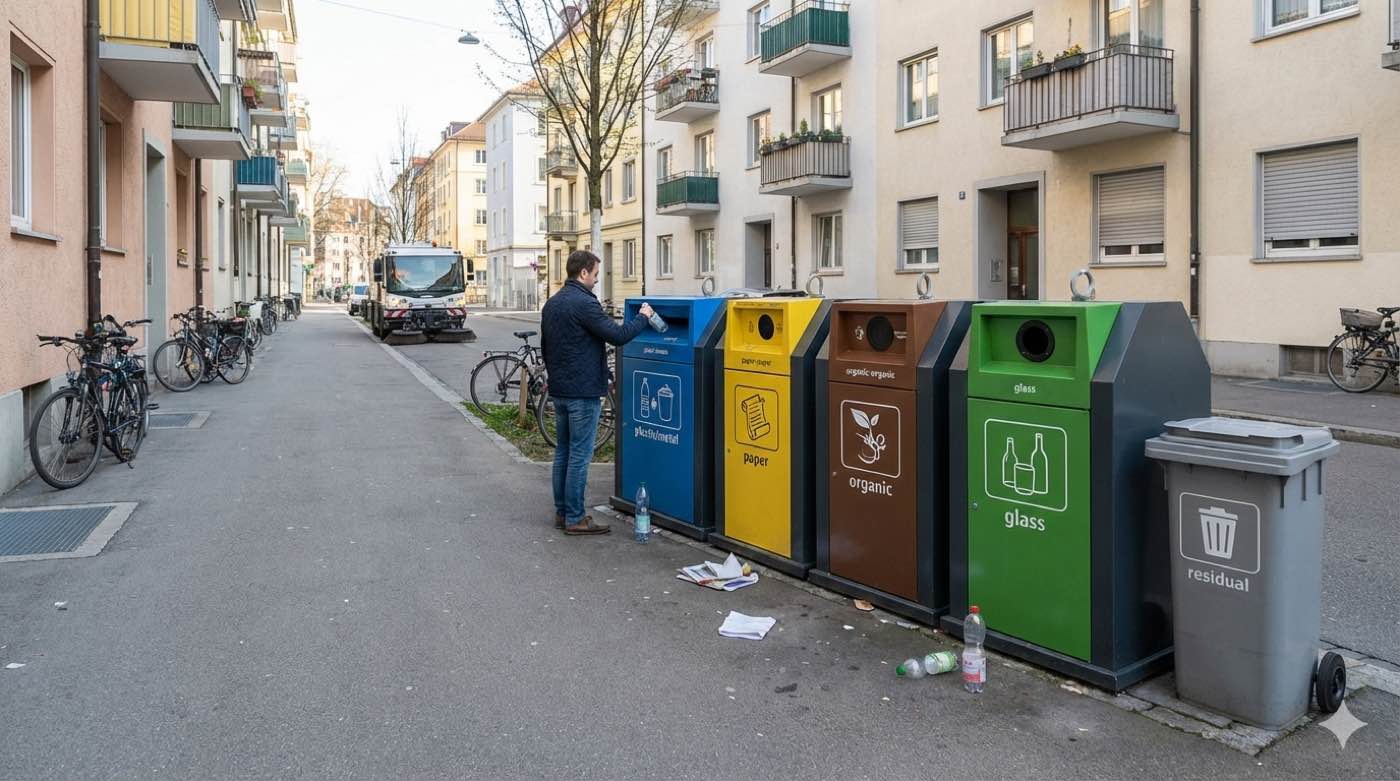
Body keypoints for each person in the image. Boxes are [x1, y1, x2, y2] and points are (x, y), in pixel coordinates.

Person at [540, 250, 656, 535]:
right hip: (583, 392)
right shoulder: (584, 304)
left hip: (561, 391)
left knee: (563, 453)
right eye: (594, 275)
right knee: (579, 455)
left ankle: (562, 512)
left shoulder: (552, 304)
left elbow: (546, 346)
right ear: (583, 273)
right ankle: (576, 518)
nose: (595, 281)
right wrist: (643, 316)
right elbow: (617, 335)